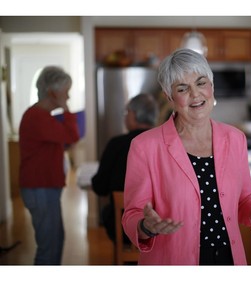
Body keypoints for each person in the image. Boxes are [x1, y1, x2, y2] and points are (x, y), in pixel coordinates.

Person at [122, 48, 251, 265]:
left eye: (201, 83)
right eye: (182, 88)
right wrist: (145, 226)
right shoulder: (145, 146)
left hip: (227, 258)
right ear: (169, 96)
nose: (195, 94)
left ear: (212, 86)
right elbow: (132, 214)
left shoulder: (235, 139)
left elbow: (243, 201)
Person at [19, 66, 80, 265]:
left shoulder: (42, 117)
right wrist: (66, 108)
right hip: (40, 188)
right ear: (52, 92)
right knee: (49, 248)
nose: (68, 97)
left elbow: (68, 140)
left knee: (55, 241)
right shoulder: (37, 117)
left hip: (44, 187)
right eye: (66, 92)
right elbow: (72, 136)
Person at [91, 93, 159, 244]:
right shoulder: (165, 144)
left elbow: (99, 187)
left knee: (109, 212)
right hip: (160, 226)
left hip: (124, 227)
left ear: (133, 114)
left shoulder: (116, 144)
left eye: (126, 112)